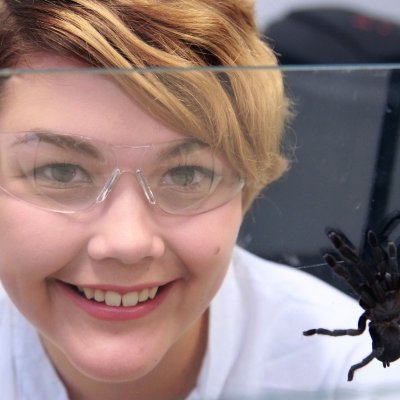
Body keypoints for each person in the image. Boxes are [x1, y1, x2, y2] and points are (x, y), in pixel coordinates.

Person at [0, 1, 400, 399]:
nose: (127, 244)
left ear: (247, 188)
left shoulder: (351, 380)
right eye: (60, 172)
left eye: (186, 174)